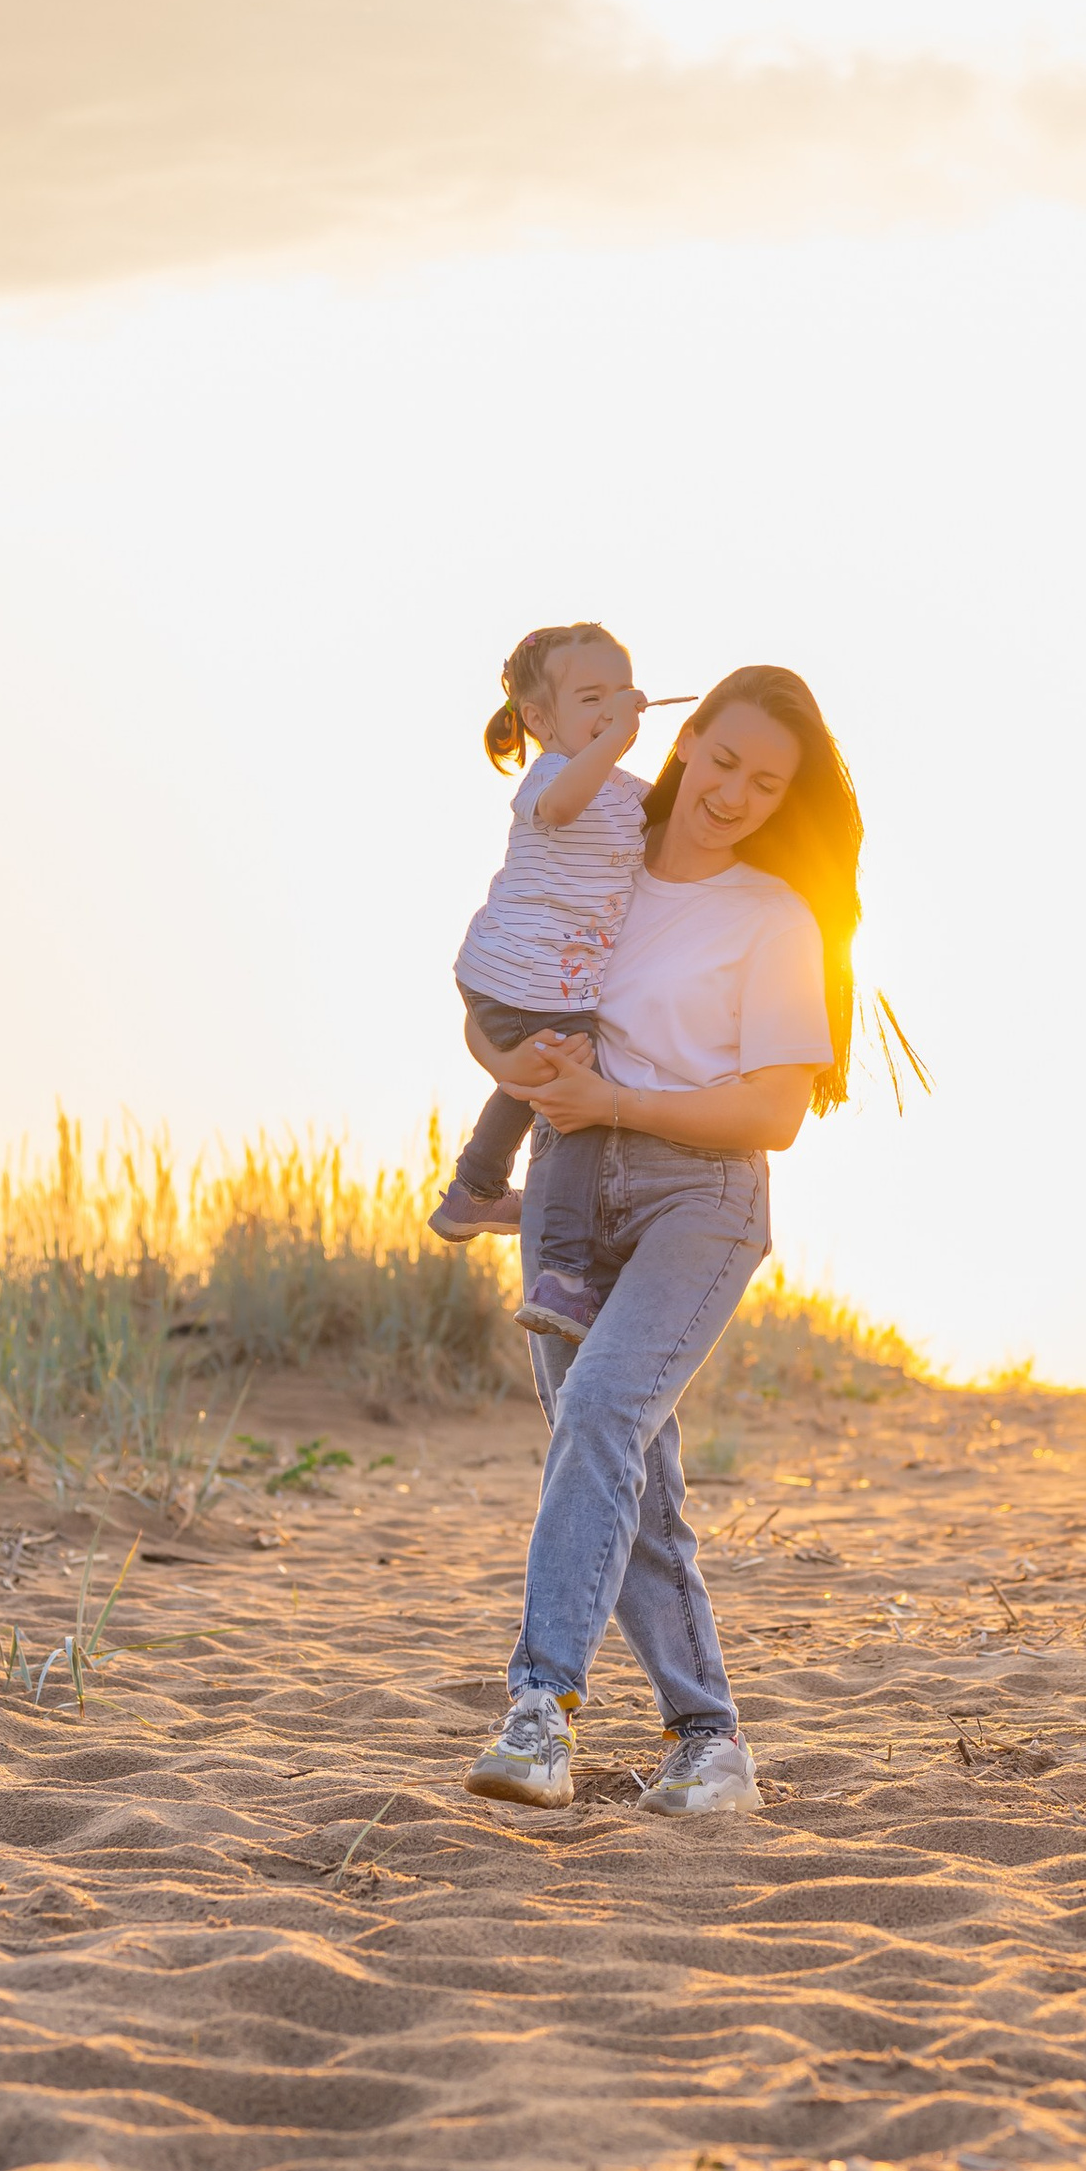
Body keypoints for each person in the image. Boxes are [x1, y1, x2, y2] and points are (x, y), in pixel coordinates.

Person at [460, 664, 862, 1819]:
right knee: (626, 1469)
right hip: (570, 1186)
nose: (732, 792)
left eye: (766, 782)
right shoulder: (597, 856)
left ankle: (539, 1713)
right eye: (721, 760)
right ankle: (711, 1739)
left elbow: (773, 1113)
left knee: (600, 1418)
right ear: (686, 745)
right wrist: (512, 1071)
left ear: (789, 801)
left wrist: (613, 1104)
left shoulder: (774, 918)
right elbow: (497, 973)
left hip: (702, 1198)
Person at [427, 622, 648, 1332]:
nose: (613, 711)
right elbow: (561, 809)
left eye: (623, 694)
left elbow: (661, 816)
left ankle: (473, 1191)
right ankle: (563, 1275)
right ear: (541, 720)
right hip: (518, 977)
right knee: (578, 1104)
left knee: (533, 1078)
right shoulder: (552, 774)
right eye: (592, 699)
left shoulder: (620, 787)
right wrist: (612, 739)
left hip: (532, 985)